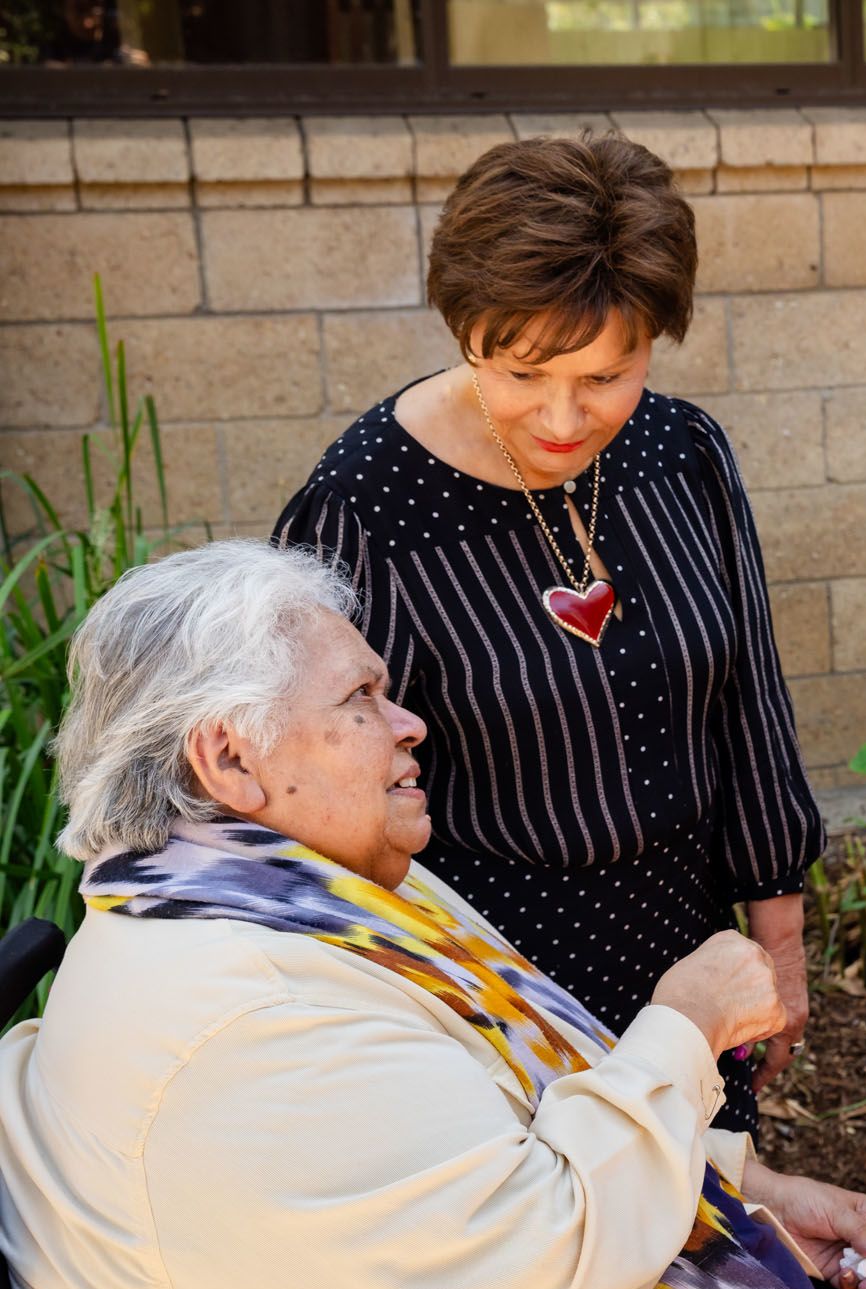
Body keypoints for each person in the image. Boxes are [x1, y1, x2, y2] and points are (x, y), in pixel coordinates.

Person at [0, 539, 866, 1289]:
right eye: (358, 700)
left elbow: (486, 1129)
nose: (409, 725)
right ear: (228, 758)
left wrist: (746, 1189)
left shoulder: (268, 902)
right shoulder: (246, 1015)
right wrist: (684, 1027)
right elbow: (524, 1284)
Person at [274, 132, 821, 1135]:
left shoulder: (679, 452)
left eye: (607, 376)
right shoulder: (364, 511)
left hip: (684, 943)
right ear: (463, 328)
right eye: (519, 372)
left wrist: (776, 943)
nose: (564, 418)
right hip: (500, 982)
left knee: (720, 1240)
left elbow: (748, 697)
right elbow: (328, 800)